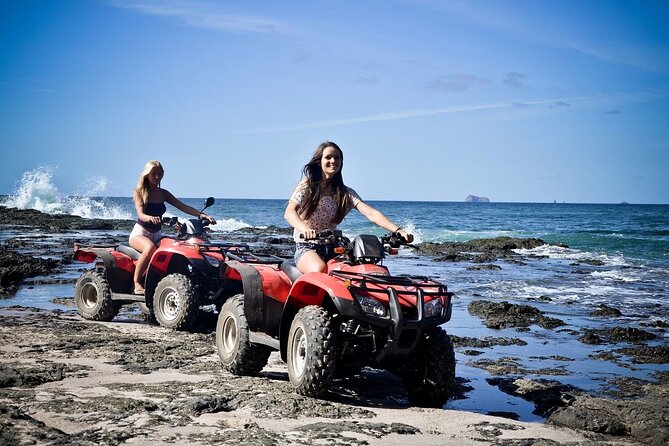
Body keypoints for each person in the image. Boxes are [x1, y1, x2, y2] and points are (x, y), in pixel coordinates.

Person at [284, 141, 413, 274]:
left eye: (337, 157)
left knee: (356, 270)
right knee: (319, 269)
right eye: (328, 157)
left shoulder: (345, 193)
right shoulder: (308, 186)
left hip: (334, 247)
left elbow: (371, 213)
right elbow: (289, 212)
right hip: (306, 247)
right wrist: (305, 229)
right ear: (319, 161)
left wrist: (399, 231)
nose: (333, 161)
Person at [129, 160, 216, 294]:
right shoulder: (139, 192)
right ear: (147, 174)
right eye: (154, 174)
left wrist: (202, 215)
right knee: (149, 248)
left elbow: (182, 206)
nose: (157, 177)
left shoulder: (163, 193)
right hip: (140, 233)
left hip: (157, 234)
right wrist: (150, 217)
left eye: (160, 174)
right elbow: (141, 214)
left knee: (176, 247)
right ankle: (137, 283)